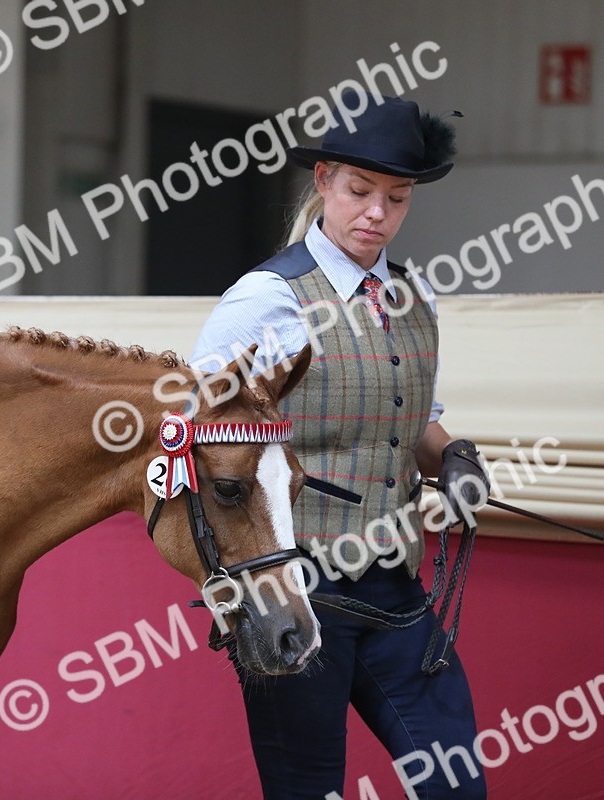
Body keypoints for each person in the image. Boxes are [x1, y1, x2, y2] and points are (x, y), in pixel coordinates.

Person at [191, 93, 489, 800]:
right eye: (359, 192)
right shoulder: (265, 299)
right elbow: (199, 436)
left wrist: (452, 456)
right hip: (296, 592)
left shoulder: (418, 300)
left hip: (395, 591)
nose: (376, 213)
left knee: (457, 788)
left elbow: (407, 420)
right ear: (324, 180)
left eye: (397, 196)